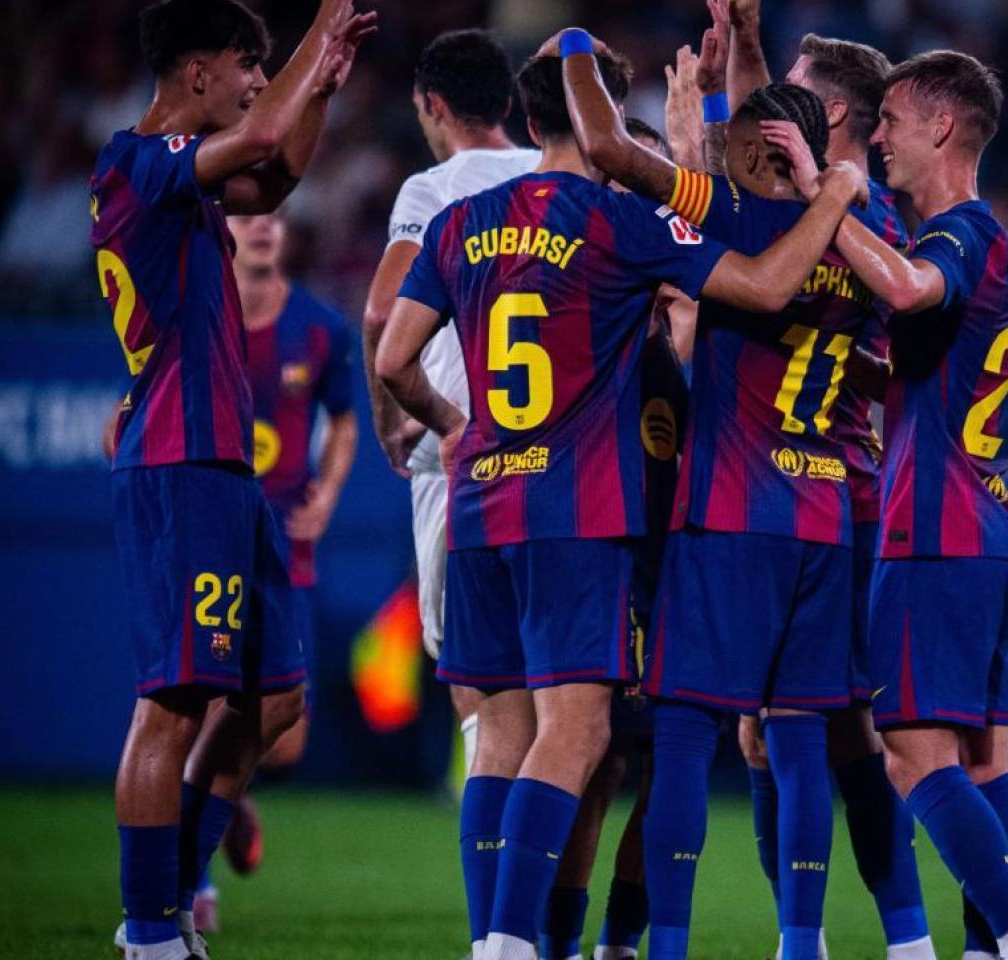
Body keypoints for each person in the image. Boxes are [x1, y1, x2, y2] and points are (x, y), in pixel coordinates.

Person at [375, 29, 865, 960]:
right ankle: (517, 944)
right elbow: (761, 286)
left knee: (500, 730)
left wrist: (453, 427)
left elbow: (394, 357)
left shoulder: (458, 223)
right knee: (583, 728)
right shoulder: (615, 224)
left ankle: (501, 935)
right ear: (604, 124)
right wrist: (835, 194)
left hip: (482, 507)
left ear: (527, 121)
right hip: (578, 510)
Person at [561, 21, 878, 960]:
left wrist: (580, 45)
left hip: (727, 515)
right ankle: (808, 942)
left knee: (688, 741)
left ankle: (660, 948)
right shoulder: (871, 237)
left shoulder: (732, 221)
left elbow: (614, 150)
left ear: (749, 154)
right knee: (800, 743)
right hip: (822, 517)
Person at [90, 1, 374, 958]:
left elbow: (276, 172)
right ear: (195, 71)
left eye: (267, 64)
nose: (260, 80)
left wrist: (320, 89)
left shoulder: (187, 184)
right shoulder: (136, 162)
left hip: (222, 468)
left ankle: (169, 899)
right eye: (247, 62)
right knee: (172, 702)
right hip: (180, 461)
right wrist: (319, 27)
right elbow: (258, 133)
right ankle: (149, 932)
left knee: (277, 697)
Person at [778, 50, 1008, 960]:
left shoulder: (956, 236)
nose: (881, 137)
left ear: (943, 126)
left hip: (932, 528)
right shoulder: (1006, 253)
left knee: (906, 748)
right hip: (989, 524)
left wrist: (824, 195)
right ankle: (987, 949)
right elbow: (913, 368)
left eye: (893, 120)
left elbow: (901, 286)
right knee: (984, 764)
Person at [716, 5, 932, 956]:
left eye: (793, 95)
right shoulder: (853, 216)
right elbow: (757, 147)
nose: (771, 111)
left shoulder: (832, 215)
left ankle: (812, 938)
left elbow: (749, 173)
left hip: (807, 493)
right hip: (840, 490)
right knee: (814, 733)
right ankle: (905, 937)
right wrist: (748, 47)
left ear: (830, 117)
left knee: (803, 730)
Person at [358, 28, 539, 952]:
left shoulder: (429, 193)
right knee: (569, 712)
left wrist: (401, 420)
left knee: (481, 700)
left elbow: (384, 310)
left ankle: (497, 933)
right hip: (562, 462)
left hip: (458, 461)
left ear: (432, 105)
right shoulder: (553, 169)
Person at [540, 117, 690, 960]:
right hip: (609, 557)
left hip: (679, 562)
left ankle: (617, 941)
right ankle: (564, 942)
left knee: (665, 759)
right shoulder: (592, 309)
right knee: (598, 759)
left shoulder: (668, 304)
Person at [184, 210, 358, 931]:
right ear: (223, 231)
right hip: (211, 538)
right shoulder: (197, 315)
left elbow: (345, 420)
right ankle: (191, 887)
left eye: (276, 216)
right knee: (196, 709)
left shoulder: (319, 328)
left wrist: (328, 489)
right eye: (248, 216)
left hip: (286, 544)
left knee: (284, 732)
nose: (264, 227)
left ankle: (229, 801)